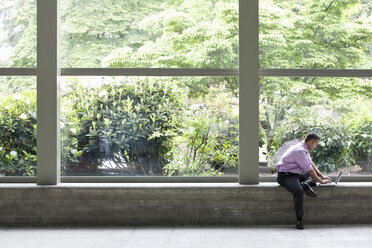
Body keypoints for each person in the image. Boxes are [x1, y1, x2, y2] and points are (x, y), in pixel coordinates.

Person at [276, 132, 332, 229]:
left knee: (312, 178)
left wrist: (322, 176)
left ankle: (305, 184)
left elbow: (311, 164)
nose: (316, 147)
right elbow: (309, 169)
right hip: (285, 175)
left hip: (296, 174)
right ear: (310, 142)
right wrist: (321, 181)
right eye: (315, 144)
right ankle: (299, 220)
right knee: (299, 190)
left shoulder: (303, 148)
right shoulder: (299, 150)